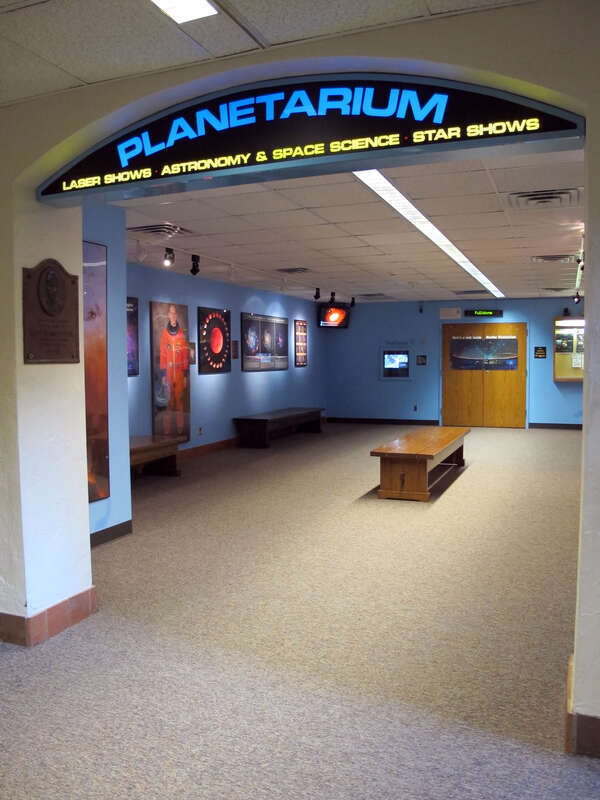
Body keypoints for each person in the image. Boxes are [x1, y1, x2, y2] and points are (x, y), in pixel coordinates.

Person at [159, 304, 189, 435]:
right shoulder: (165, 334)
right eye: (171, 313)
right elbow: (162, 354)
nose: (173, 315)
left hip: (179, 372)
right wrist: (163, 374)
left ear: (176, 315)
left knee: (179, 401)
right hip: (169, 372)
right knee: (169, 402)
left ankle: (180, 428)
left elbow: (184, 354)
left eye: (175, 313)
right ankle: (166, 430)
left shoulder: (181, 333)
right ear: (168, 315)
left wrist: (186, 374)